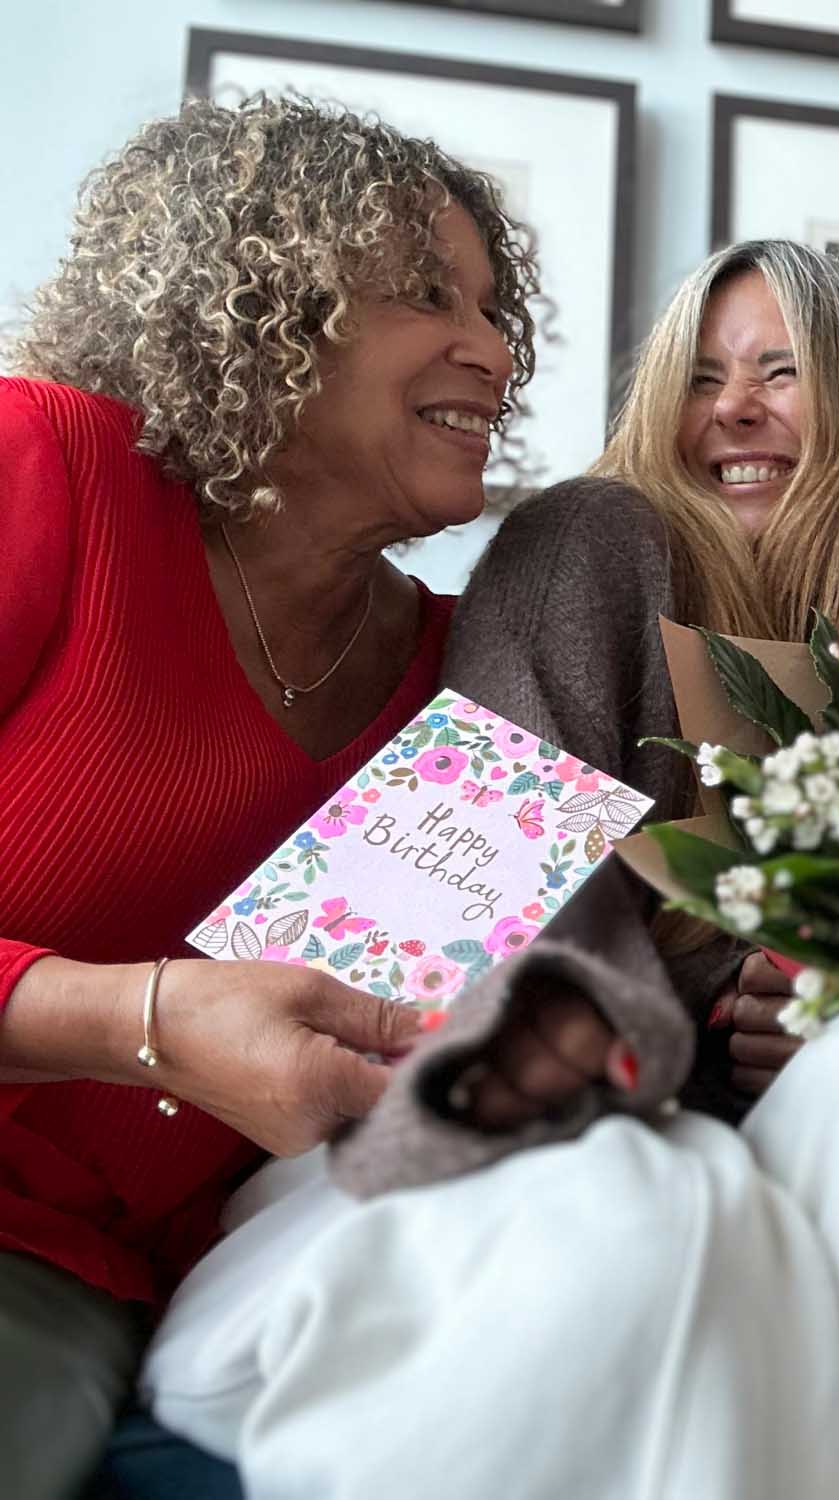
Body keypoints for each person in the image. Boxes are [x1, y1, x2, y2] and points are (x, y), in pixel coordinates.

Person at [139, 240, 839, 1500]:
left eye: (779, 372)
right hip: (524, 1103)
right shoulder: (592, 540)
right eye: (699, 377)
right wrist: (719, 1000)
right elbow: (496, 896)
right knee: (672, 1195)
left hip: (799, 1135)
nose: (731, 410)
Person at [0, 94, 538, 1498]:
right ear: (261, 309)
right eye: (429, 296)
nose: (491, 352)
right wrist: (144, 1020)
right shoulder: (39, 465)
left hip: (110, 1292)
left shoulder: (458, 677)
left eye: (494, 311)